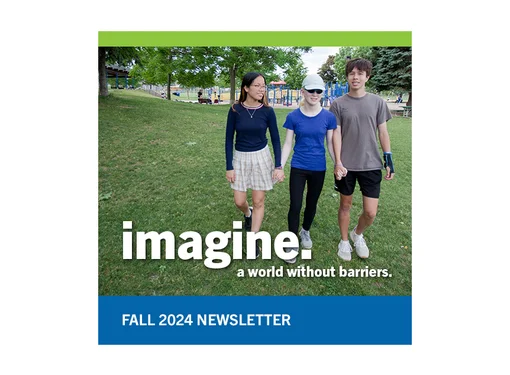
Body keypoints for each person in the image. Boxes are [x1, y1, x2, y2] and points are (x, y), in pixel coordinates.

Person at [329, 58, 395, 261]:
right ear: (347, 76)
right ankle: (344, 241)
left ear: (367, 76)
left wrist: (388, 158)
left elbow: (383, 132)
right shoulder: (338, 105)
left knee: (370, 212)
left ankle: (357, 234)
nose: (355, 77)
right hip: (346, 166)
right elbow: (336, 135)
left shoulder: (377, 102)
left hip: (371, 164)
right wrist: (338, 162)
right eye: (351, 73)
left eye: (360, 73)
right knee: (345, 205)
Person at [225, 72, 284, 257]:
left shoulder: (267, 111)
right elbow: (228, 140)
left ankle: (253, 240)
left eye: (263, 85)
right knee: (239, 201)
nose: (262, 89)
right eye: (257, 85)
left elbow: (275, 139)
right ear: (246, 88)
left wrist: (278, 166)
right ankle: (247, 213)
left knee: (259, 201)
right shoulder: (235, 110)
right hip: (240, 158)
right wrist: (229, 166)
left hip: (261, 158)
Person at [279, 74, 337, 263]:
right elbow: (288, 143)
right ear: (303, 91)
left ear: (322, 93)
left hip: (318, 168)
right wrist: (280, 165)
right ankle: (291, 240)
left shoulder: (328, 117)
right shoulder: (293, 116)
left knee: (311, 203)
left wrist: (338, 163)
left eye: (318, 91)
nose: (314, 94)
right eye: (311, 90)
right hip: (298, 166)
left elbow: (330, 143)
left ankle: (305, 231)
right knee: (295, 205)